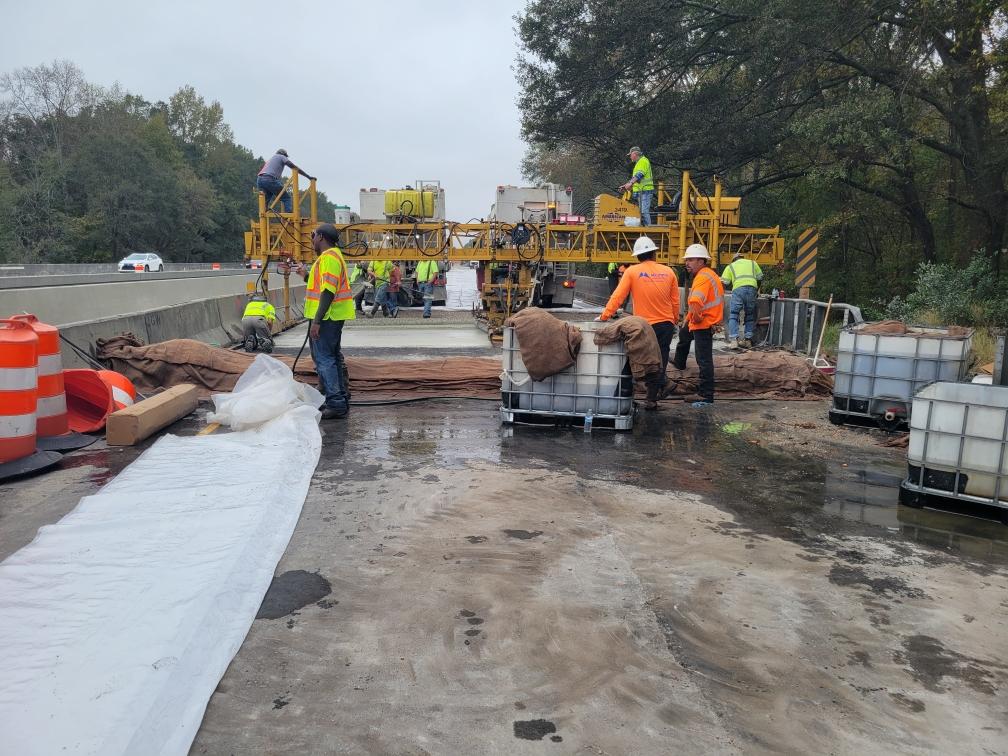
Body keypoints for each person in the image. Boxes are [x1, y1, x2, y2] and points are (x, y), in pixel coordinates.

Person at [596, 236, 679, 410]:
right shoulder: (669, 272)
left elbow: (618, 296)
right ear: (654, 253)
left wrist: (605, 316)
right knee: (659, 361)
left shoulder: (632, 272)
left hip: (643, 327)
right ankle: (651, 399)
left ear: (637, 256)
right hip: (666, 324)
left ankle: (621, 396)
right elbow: (675, 301)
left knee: (632, 358)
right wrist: (674, 320)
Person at [303, 223, 354, 419]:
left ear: (321, 237)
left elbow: (328, 291)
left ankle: (336, 403)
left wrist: (317, 321)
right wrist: (305, 275)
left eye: (313, 235)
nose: (312, 239)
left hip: (328, 317)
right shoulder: (328, 258)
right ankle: (340, 398)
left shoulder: (330, 258)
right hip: (330, 316)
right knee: (331, 358)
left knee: (325, 360)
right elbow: (322, 285)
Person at [672, 243, 725, 408]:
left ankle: (706, 395)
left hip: (703, 323)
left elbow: (695, 302)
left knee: (704, 360)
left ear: (702, 261)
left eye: (691, 260)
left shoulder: (702, 277)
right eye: (687, 260)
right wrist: (688, 321)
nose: (687, 263)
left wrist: (694, 319)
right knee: (683, 336)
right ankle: (680, 362)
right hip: (702, 320)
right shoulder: (709, 274)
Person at [721, 251, 763, 349]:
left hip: (738, 290)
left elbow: (725, 282)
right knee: (749, 315)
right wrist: (756, 290)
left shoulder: (730, 266)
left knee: (734, 314)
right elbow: (760, 277)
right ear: (743, 258)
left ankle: (734, 340)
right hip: (752, 288)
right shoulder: (753, 263)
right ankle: (748, 341)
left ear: (734, 259)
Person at [256, 148, 316, 214]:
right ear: (284, 154)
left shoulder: (271, 159)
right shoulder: (281, 156)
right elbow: (293, 166)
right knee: (286, 198)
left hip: (259, 179)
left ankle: (264, 214)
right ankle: (289, 215)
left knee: (267, 197)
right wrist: (308, 177)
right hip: (269, 179)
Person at [619, 147, 655, 226]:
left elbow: (639, 175)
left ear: (635, 154)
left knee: (644, 211)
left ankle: (648, 230)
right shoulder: (639, 162)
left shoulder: (643, 161)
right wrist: (626, 185)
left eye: (630, 155)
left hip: (645, 191)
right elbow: (636, 179)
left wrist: (630, 183)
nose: (630, 157)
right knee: (642, 212)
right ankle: (646, 228)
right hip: (642, 191)